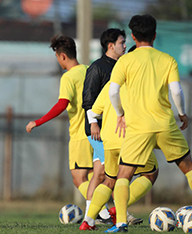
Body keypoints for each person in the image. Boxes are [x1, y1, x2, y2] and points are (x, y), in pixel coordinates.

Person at [105, 14, 192, 233]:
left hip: (138, 128)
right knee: (188, 166)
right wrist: (182, 113)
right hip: (165, 124)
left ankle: (120, 223)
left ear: (132, 36)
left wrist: (120, 113)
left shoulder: (125, 61)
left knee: (124, 175)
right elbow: (176, 90)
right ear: (155, 35)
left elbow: (113, 91)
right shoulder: (167, 59)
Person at [80, 47, 160, 231]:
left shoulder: (110, 85)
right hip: (130, 140)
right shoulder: (140, 87)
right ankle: (117, 210)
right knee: (151, 172)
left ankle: (88, 220)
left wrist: (94, 125)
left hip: (109, 142)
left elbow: (93, 111)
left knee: (109, 180)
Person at [26, 36, 93, 204]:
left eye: (57, 58)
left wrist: (37, 122)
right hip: (97, 132)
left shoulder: (68, 77)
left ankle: (104, 212)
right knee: (94, 178)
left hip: (80, 135)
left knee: (79, 179)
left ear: (62, 56)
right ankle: (114, 213)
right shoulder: (89, 70)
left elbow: (62, 104)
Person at [81, 29, 126, 225]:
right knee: (107, 172)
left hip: (112, 130)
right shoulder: (97, 67)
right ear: (111, 45)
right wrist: (93, 124)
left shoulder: (121, 67)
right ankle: (100, 214)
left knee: (101, 172)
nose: (124, 46)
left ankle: (93, 216)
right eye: (121, 42)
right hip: (98, 129)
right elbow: (88, 100)